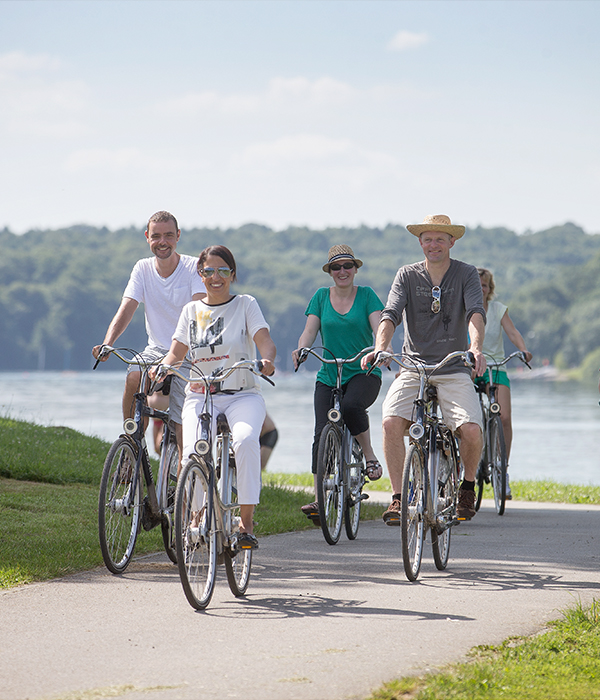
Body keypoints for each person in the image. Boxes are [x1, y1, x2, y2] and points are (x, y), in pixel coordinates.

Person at [362, 214, 487, 522]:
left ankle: (467, 487)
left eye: (440, 239)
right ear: (420, 242)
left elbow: (475, 312)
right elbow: (390, 314)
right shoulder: (406, 275)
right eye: (428, 239)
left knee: (471, 430)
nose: (434, 245)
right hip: (414, 366)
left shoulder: (466, 274)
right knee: (391, 423)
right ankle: (398, 497)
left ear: (451, 242)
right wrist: (381, 347)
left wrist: (475, 348)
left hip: (453, 366)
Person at [155, 245, 276, 548]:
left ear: (232, 275)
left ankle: (246, 523)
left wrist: (267, 361)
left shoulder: (246, 304)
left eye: (223, 270)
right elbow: (175, 353)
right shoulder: (191, 311)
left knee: (247, 441)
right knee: (193, 453)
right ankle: (196, 518)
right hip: (200, 395)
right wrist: (163, 369)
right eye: (209, 270)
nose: (216, 276)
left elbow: (265, 342)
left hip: (242, 394)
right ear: (201, 274)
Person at [92, 211, 206, 458]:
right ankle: (132, 445)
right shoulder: (142, 268)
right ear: (147, 237)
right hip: (155, 349)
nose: (162, 241)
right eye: (156, 236)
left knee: (180, 420)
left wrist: (176, 356)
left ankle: (181, 478)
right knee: (134, 374)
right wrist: (107, 344)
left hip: (189, 352)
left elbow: (198, 313)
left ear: (178, 236)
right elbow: (127, 308)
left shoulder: (193, 267)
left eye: (168, 235)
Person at [292, 244, 386, 523]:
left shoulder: (367, 295)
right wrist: (302, 349)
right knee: (321, 433)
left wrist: (380, 349)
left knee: (351, 405)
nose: (342, 271)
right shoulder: (321, 297)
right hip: (329, 373)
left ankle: (368, 456)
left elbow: (379, 326)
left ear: (355, 269)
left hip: (363, 370)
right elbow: (309, 332)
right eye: (336, 267)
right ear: (330, 272)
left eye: (347, 266)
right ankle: (321, 498)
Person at [476, 267, 533, 498]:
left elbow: (512, 332)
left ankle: (502, 470)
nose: (481, 288)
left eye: (485, 285)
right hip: (471, 366)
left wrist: (523, 350)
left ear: (490, 289)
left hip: (496, 367)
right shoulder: (462, 308)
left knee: (505, 418)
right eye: (477, 284)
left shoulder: (498, 310)